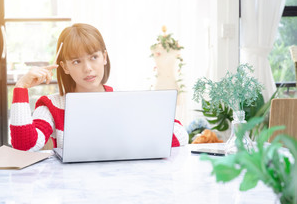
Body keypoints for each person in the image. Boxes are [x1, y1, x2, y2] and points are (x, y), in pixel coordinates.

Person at [10, 23, 188, 151]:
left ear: (104, 57)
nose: (87, 68)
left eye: (93, 57)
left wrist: (138, 141)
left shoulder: (125, 99)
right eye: (77, 61)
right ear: (65, 67)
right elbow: (26, 146)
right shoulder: (51, 105)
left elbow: (180, 134)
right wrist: (21, 88)